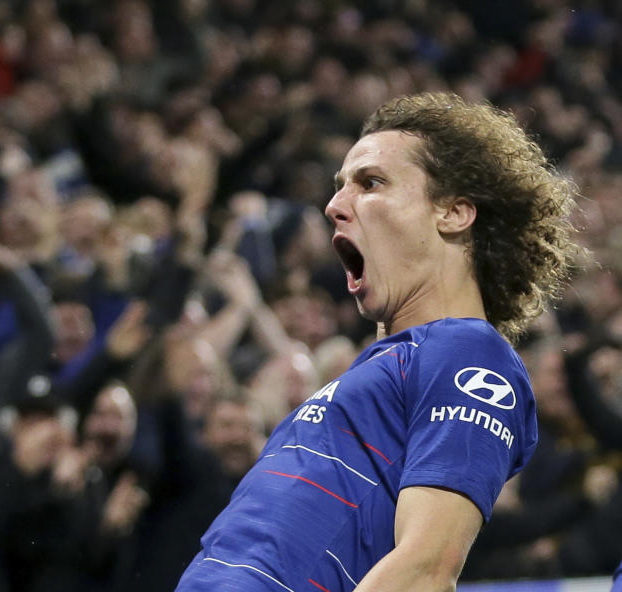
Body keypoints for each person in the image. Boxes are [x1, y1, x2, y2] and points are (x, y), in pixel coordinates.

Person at [176, 92, 584, 591]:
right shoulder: (382, 368)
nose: (333, 206)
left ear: (454, 213)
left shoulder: (470, 354)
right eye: (339, 186)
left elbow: (425, 572)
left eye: (370, 183)